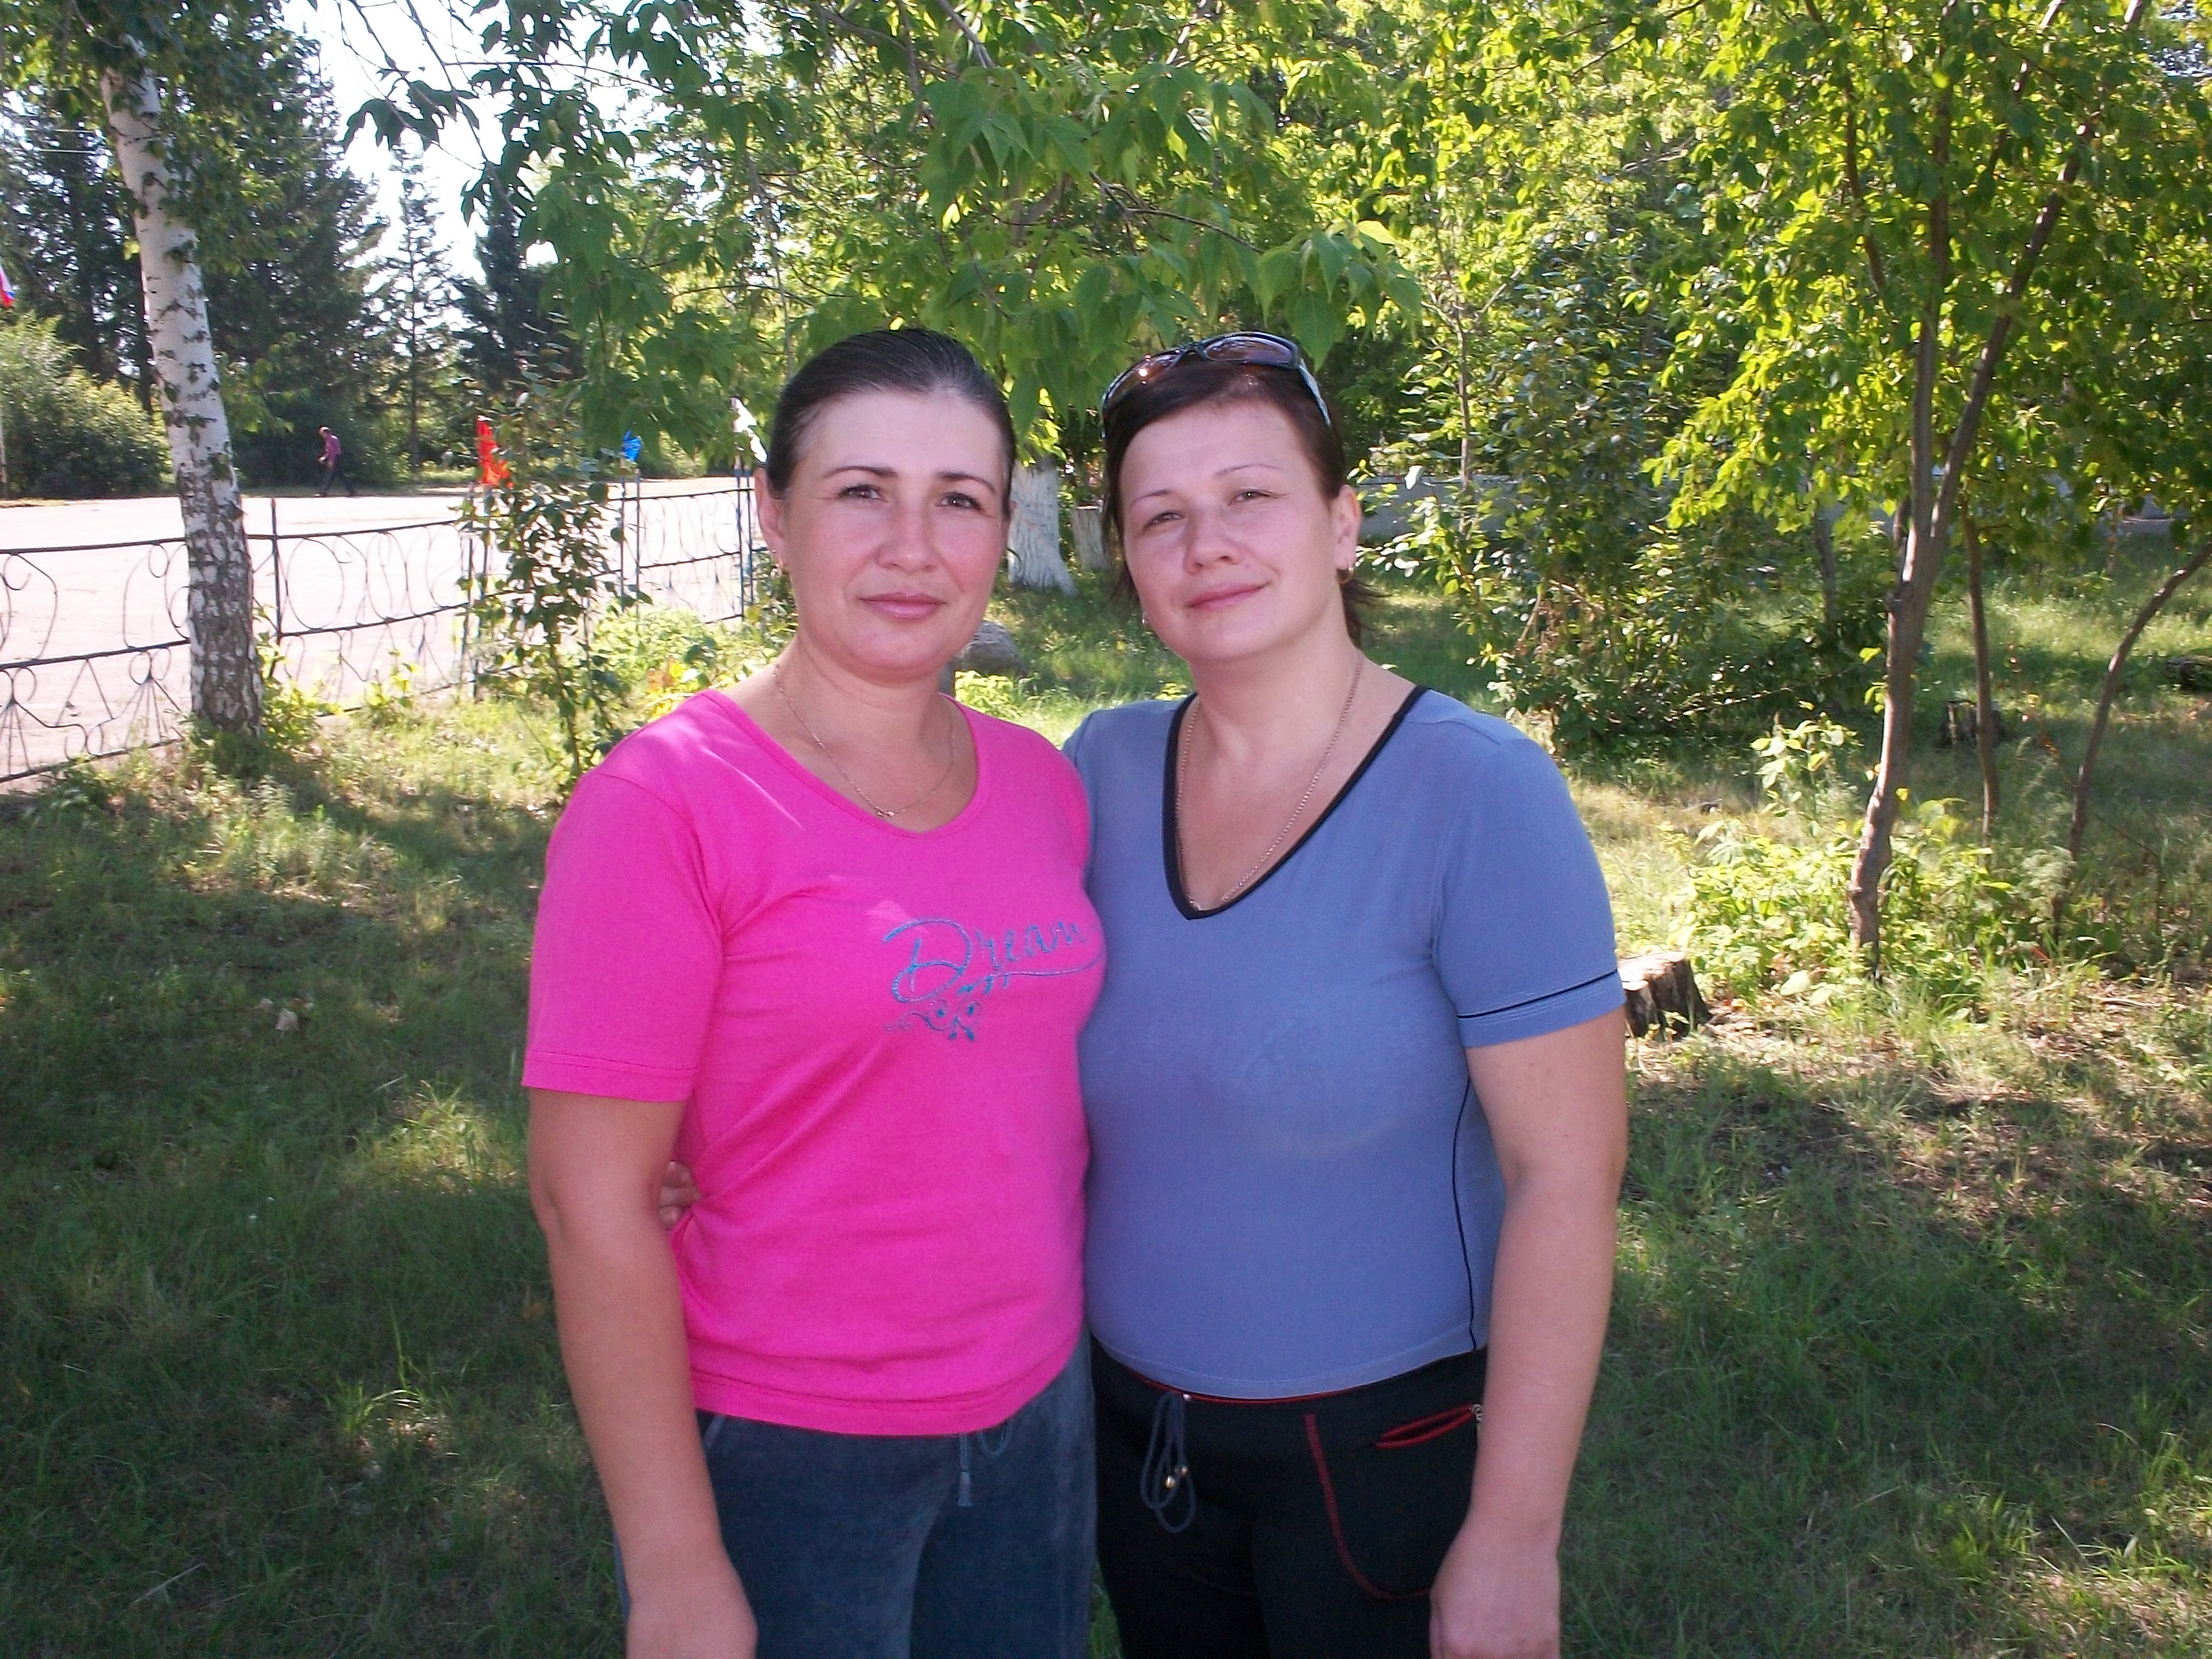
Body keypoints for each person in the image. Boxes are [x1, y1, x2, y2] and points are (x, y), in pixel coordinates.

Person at [526, 329, 1103, 1659]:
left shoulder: (1042, 784)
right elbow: (588, 1201)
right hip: (787, 1446)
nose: (913, 546)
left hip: (1035, 1412)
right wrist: (676, 1567)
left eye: (958, 499)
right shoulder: (665, 805)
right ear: (775, 518)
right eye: (861, 492)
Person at [1067, 332, 1628, 1659]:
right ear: (1131, 565)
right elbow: (969, 1015)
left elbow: (1565, 1176)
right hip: (1135, 1443)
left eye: (1249, 495)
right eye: (1161, 516)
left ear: (1340, 523)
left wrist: (1514, 1532)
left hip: (1380, 1460)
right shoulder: (1095, 771)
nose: (1207, 544)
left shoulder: (1478, 791)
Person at [316, 426, 354, 497]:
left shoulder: (332, 439)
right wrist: (323, 458)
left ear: (326, 433)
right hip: (334, 458)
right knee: (339, 476)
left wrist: (331, 461)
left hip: (336, 458)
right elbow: (328, 452)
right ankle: (352, 491)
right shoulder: (329, 440)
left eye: (322, 433)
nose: (322, 435)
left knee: (330, 476)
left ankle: (323, 492)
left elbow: (334, 451)